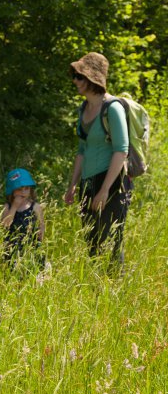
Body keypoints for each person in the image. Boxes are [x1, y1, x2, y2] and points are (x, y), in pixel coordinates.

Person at [64, 52, 132, 268]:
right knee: (92, 242)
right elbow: (82, 149)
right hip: (88, 182)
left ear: (93, 79)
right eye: (74, 75)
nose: (75, 80)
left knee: (111, 241)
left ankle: (115, 291)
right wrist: (73, 185)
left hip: (112, 183)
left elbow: (121, 151)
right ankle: (96, 292)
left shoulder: (112, 108)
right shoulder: (83, 109)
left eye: (79, 76)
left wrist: (104, 190)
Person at [1, 168, 45, 268]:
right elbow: (5, 225)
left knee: (35, 273)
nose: (23, 192)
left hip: (31, 247)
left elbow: (41, 225)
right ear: (12, 191)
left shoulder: (35, 207)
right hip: (12, 248)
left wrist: (40, 232)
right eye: (20, 189)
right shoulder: (8, 206)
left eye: (26, 189)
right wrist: (14, 206)